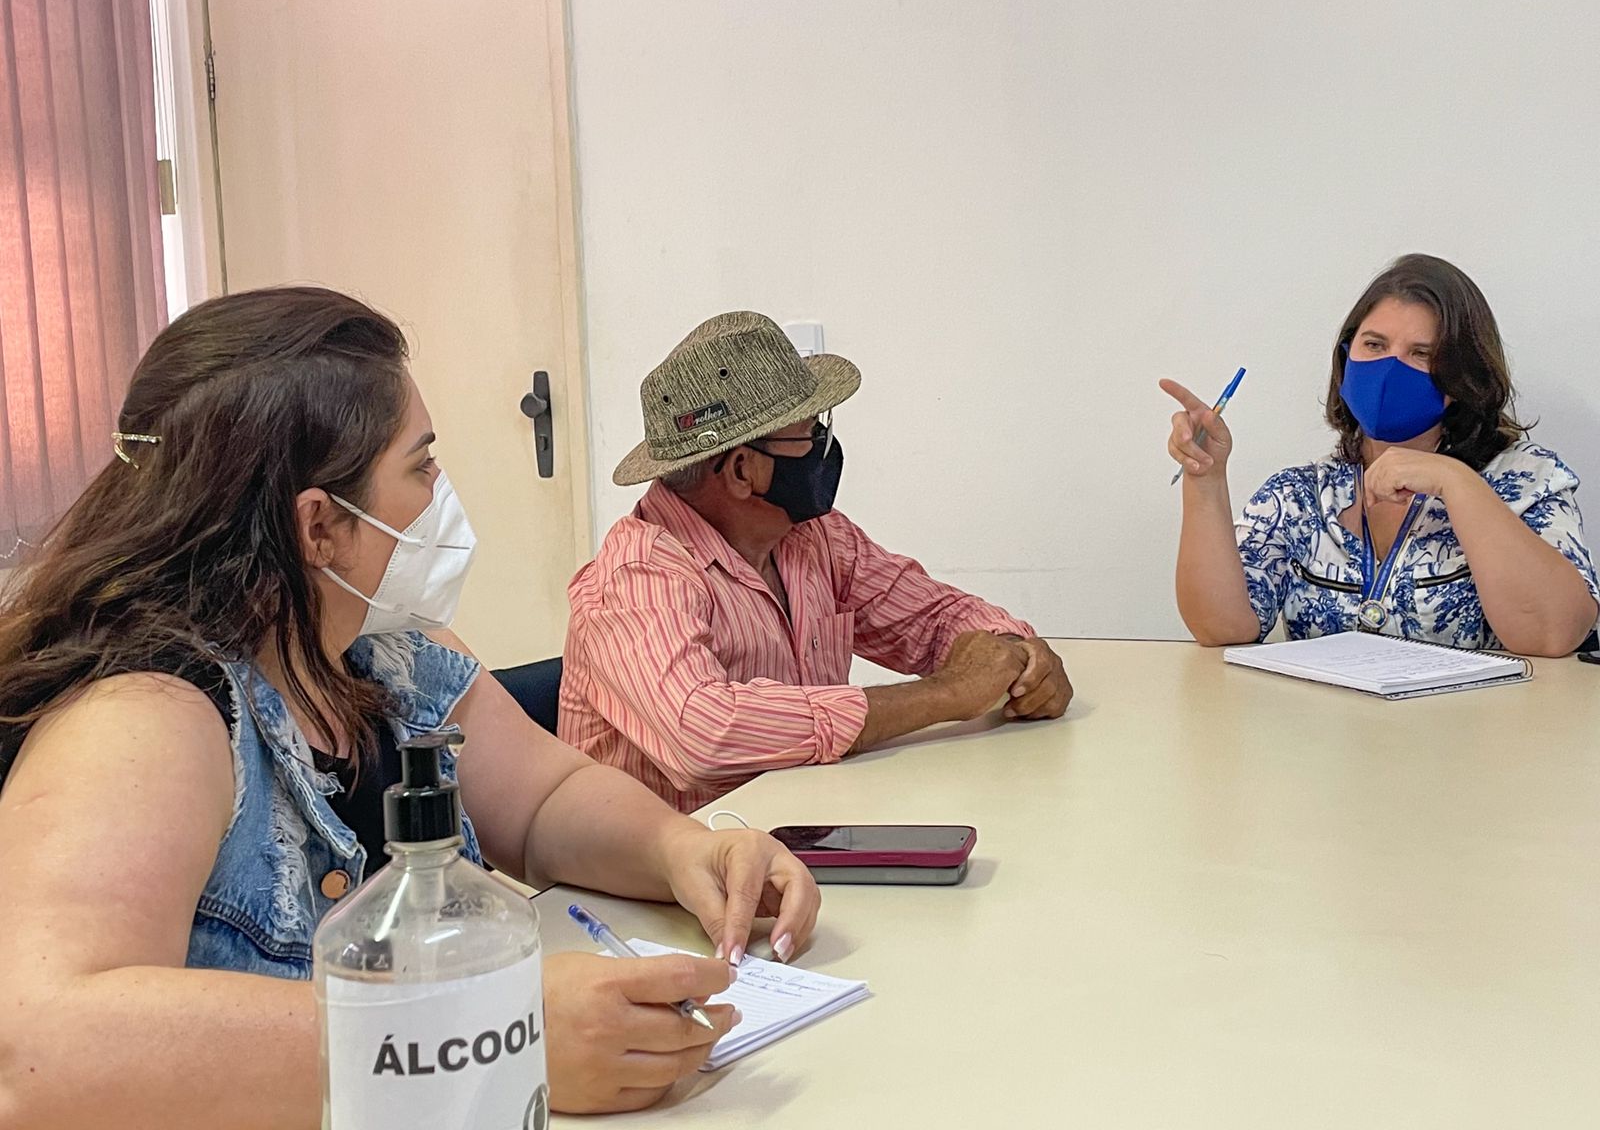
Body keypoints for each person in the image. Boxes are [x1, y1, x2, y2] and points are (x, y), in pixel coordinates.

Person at [0, 288, 821, 1127]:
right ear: (319, 526)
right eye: (420, 467)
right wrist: (485, 1033)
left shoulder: (382, 649)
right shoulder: (143, 716)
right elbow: (41, 1049)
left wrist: (682, 850)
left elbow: (543, 800)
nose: (440, 496)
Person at [560, 311, 1071, 813]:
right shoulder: (636, 576)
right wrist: (946, 694)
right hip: (679, 859)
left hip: (802, 828)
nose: (823, 447)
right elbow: (705, 734)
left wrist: (1016, 657)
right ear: (743, 470)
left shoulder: (813, 536)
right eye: (809, 433)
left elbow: (932, 617)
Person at [1163, 253, 1600, 656]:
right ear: (1346, 357)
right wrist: (1205, 477)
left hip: (1480, 717)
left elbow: (1553, 634)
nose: (1390, 369)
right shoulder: (1299, 495)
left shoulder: (1527, 480)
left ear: (1462, 374)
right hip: (1325, 717)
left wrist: (1454, 481)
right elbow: (1220, 627)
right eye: (1374, 345)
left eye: (1421, 354)